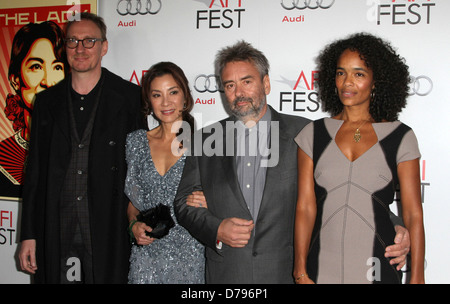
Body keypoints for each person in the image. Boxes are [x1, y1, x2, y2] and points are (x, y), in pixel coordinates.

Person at [174, 40, 410, 284]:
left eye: (247, 81)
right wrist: (217, 229)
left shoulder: (305, 132)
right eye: (230, 85)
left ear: (265, 83)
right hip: (228, 275)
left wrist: (395, 225)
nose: (239, 93)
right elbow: (183, 204)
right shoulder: (205, 140)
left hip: (287, 273)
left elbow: (345, 187)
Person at [18, 12, 143, 283]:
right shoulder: (45, 102)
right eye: (73, 41)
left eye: (89, 41)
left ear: (104, 47)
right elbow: (35, 174)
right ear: (65, 48)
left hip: (108, 223)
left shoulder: (130, 97)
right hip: (55, 222)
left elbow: (139, 170)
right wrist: (28, 234)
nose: (80, 48)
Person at [293, 33, 425, 284]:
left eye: (359, 74)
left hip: (379, 268)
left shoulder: (401, 137)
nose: (347, 83)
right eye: (341, 73)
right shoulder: (313, 135)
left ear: (377, 82)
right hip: (321, 269)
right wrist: (300, 271)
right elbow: (305, 208)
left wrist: (417, 278)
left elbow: (412, 213)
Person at [125, 61, 205, 284]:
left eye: (173, 92)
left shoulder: (203, 144)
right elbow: (134, 201)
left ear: (185, 97)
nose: (166, 102)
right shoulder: (136, 142)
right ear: (149, 101)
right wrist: (134, 225)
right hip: (147, 258)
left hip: (191, 255)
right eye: (157, 95)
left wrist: (210, 200)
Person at [0, 21, 67, 197]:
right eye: (36, 66)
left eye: (57, 67)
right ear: (15, 79)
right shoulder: (2, 154)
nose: (47, 80)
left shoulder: (78, 148)